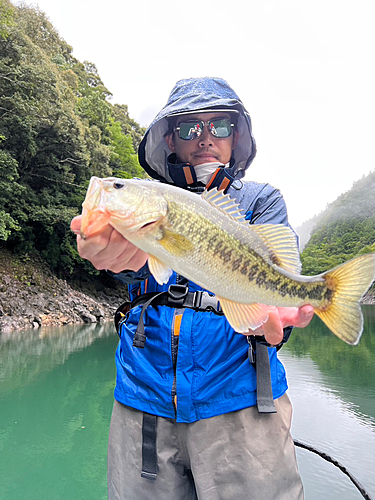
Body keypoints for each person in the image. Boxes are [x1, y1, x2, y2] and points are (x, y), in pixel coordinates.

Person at [71, 77, 314, 500]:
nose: (204, 138)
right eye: (189, 127)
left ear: (236, 136)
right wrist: (103, 250)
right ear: (169, 138)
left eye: (219, 125)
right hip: (142, 401)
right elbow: (130, 274)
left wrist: (278, 327)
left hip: (242, 403)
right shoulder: (148, 202)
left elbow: (278, 289)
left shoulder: (261, 199)